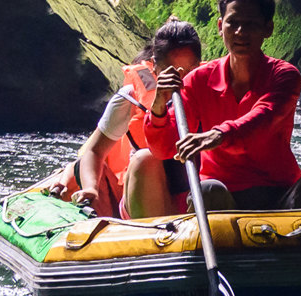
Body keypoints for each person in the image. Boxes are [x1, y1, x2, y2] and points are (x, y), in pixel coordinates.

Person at [174, 0, 301, 212]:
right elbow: (164, 146)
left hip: (279, 194)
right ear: (221, 26)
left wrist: (219, 134)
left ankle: (288, 237)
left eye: (250, 24)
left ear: (267, 29)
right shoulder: (197, 80)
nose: (240, 32)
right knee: (208, 190)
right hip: (222, 192)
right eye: (233, 23)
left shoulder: (285, 75)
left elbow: (263, 118)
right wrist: (159, 107)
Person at [63, 20, 204, 217]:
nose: (179, 79)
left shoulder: (213, 88)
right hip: (148, 197)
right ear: (154, 66)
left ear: (199, 65)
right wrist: (91, 188)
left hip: (196, 196)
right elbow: (94, 150)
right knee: (145, 158)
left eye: (188, 71)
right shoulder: (129, 97)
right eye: (170, 71)